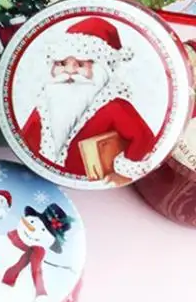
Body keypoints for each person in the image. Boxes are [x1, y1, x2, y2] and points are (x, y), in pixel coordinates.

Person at [19, 17, 157, 185]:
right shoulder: (46, 104)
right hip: (38, 179)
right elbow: (26, 138)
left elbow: (143, 137)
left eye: (80, 64)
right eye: (62, 63)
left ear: (101, 70)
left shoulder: (114, 107)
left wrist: (125, 173)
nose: (69, 71)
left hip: (90, 184)